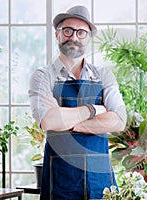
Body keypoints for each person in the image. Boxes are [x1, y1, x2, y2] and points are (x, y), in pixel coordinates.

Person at [28, 5, 127, 200]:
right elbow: (48, 121)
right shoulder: (42, 76)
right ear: (57, 35)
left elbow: (119, 121)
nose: (74, 37)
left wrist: (68, 122)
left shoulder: (104, 75)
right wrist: (95, 109)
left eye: (81, 32)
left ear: (88, 38)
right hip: (59, 177)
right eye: (68, 31)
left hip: (100, 178)